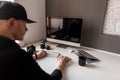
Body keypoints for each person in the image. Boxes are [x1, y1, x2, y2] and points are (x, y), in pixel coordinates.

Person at [0, 1, 70, 80]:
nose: (26, 29)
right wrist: (61, 65)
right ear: (11, 23)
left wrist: (35, 56)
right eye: (25, 24)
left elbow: (14, 65)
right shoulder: (18, 55)